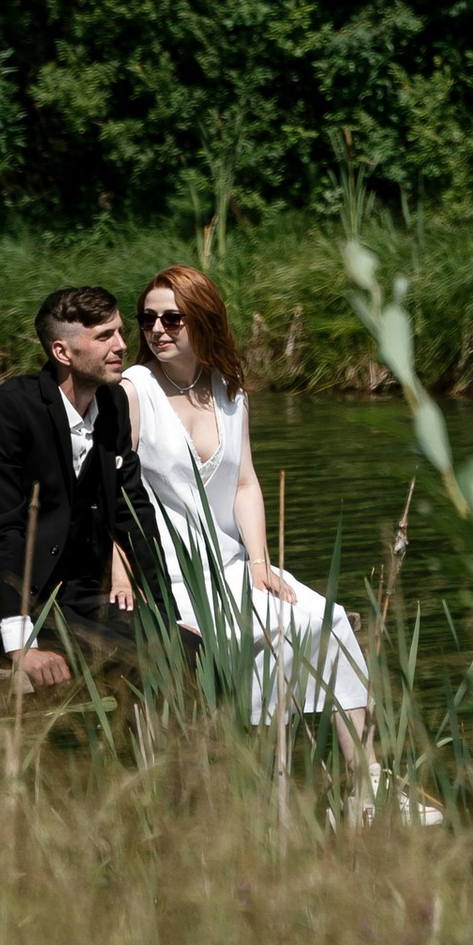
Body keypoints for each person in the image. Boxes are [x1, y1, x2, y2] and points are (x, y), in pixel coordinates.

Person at [122, 262, 375, 769]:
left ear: (203, 320)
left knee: (330, 623)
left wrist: (260, 563)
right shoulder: (133, 390)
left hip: (235, 564)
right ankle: (260, 780)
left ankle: (367, 784)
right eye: (147, 318)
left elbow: (245, 483)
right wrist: (122, 571)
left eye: (173, 320)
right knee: (275, 632)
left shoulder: (228, 388)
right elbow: (112, 497)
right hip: (173, 576)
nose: (156, 330)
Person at [0, 285, 167, 689]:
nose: (121, 345)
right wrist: (20, 645)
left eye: (120, 331)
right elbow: (1, 530)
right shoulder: (7, 411)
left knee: (188, 649)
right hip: (5, 610)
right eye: (104, 337)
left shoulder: (113, 404)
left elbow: (133, 512)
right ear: (62, 352)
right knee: (139, 663)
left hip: (80, 598)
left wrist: (168, 611)